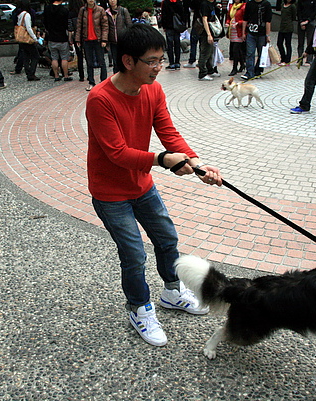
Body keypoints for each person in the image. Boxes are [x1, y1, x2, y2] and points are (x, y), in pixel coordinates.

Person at [86, 23, 222, 347]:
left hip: (141, 185)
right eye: (152, 61)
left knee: (166, 237)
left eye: (161, 59)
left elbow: (168, 132)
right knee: (134, 253)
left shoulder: (153, 90)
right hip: (110, 193)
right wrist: (162, 160)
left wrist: (197, 163)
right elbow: (117, 153)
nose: (159, 67)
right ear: (128, 61)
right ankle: (139, 307)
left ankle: (173, 291)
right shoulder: (99, 99)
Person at [76, 0, 108, 91]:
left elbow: (105, 25)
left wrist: (104, 39)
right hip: (87, 40)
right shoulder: (82, 10)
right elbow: (79, 25)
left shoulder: (100, 10)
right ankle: (91, 82)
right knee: (89, 62)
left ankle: (104, 82)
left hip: (98, 39)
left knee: (101, 61)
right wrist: (78, 39)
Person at [241, 0, 272, 80]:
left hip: (262, 34)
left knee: (261, 53)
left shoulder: (266, 4)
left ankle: (258, 70)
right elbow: (245, 18)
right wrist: (243, 32)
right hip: (251, 33)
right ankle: (249, 72)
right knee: (250, 53)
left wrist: (267, 35)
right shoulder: (249, 4)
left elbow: (268, 21)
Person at [43, 0, 72, 81]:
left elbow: (45, 23)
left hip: (52, 37)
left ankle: (56, 76)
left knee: (54, 58)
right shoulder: (64, 10)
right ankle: (66, 75)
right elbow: (67, 25)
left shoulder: (47, 9)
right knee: (64, 58)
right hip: (62, 37)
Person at [16, 0, 40, 81]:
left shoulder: (19, 15)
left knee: (26, 55)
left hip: (21, 38)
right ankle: (31, 73)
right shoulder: (27, 15)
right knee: (35, 56)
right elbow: (28, 28)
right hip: (27, 38)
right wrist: (35, 38)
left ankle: (28, 71)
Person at [105, 0, 132, 73]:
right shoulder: (107, 13)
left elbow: (129, 25)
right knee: (115, 62)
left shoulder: (123, 11)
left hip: (123, 41)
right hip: (112, 41)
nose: (112, 1)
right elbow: (106, 27)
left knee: (125, 61)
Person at [161, 0, 186, 70]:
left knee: (170, 45)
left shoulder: (166, 2)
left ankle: (171, 63)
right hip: (177, 26)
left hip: (169, 26)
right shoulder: (179, 2)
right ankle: (177, 62)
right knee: (177, 44)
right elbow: (183, 14)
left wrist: (164, 26)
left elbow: (164, 15)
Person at [197, 0, 219, 81]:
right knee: (205, 53)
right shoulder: (205, 4)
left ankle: (210, 70)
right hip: (205, 32)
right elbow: (204, 19)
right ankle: (202, 73)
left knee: (210, 52)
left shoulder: (212, 4)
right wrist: (208, 34)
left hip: (211, 30)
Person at [226, 0, 246, 75]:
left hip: (239, 30)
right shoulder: (232, 6)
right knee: (238, 49)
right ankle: (242, 64)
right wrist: (227, 23)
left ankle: (235, 68)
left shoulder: (243, 6)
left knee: (235, 49)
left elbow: (245, 19)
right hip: (232, 30)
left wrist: (238, 23)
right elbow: (228, 17)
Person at [297, 0, 316, 66]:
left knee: (310, 41)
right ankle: (300, 59)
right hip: (301, 22)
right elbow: (298, 10)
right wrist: (301, 21)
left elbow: (315, 11)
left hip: (311, 22)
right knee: (300, 42)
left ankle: (309, 60)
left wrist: (308, 20)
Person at [68, 0, 86, 82]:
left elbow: (70, 28)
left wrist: (70, 39)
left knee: (79, 56)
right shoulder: (84, 12)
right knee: (88, 55)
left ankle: (81, 75)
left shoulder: (70, 14)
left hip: (76, 36)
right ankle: (90, 74)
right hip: (86, 36)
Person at [277, 0, 297, 65]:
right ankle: (283, 58)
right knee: (279, 43)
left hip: (288, 27)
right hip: (282, 26)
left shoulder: (292, 6)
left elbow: (294, 17)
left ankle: (287, 61)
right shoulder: (282, 4)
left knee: (287, 44)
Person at [183, 0, 201, 68]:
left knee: (193, 42)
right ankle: (201, 61)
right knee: (202, 44)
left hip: (197, 23)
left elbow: (190, 7)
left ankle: (192, 61)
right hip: (204, 24)